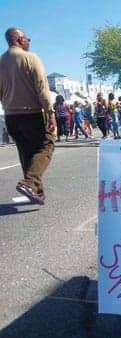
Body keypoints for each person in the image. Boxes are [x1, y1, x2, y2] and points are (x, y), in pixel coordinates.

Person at [0, 27, 56, 205]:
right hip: (31, 113)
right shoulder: (30, 58)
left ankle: (36, 191)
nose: (29, 42)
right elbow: (42, 89)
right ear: (19, 39)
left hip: (11, 116)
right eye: (27, 39)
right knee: (46, 146)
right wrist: (50, 112)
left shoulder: (1, 61)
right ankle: (30, 183)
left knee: (26, 151)